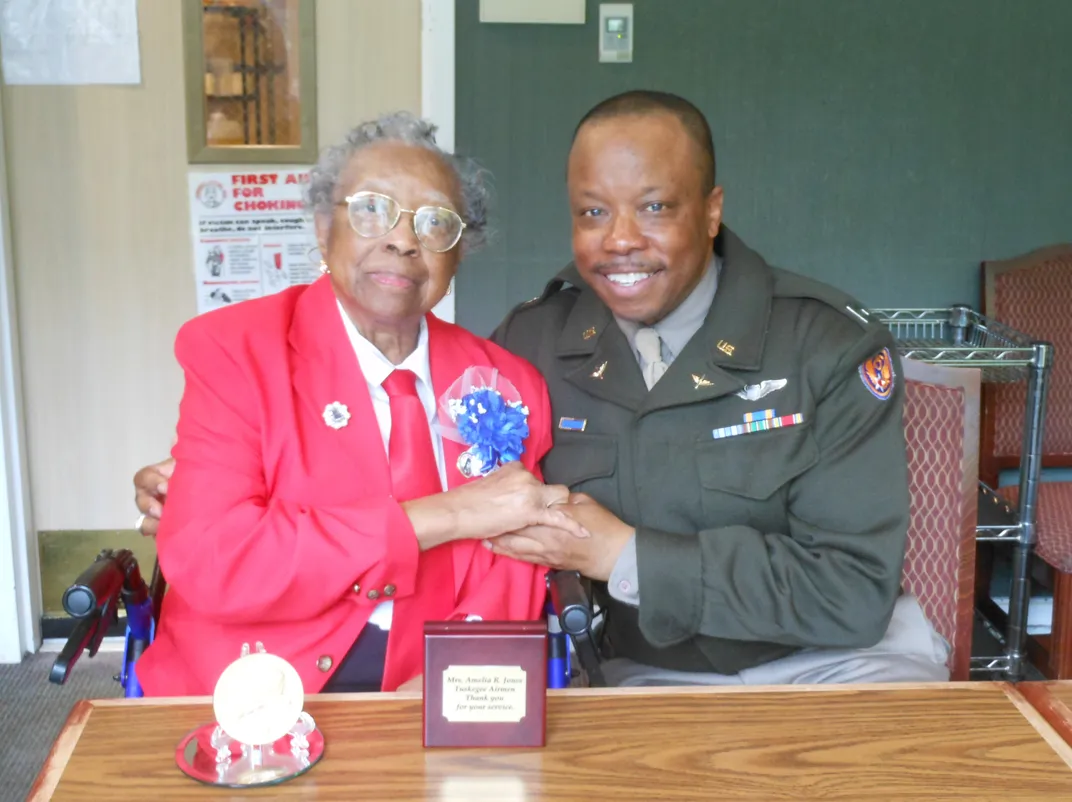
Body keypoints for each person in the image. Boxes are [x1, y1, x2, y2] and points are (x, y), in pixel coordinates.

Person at [138, 91, 949, 686]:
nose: (620, 239)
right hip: (637, 672)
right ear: (323, 228)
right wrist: (208, 486)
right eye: (593, 211)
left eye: (656, 206)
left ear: (711, 212)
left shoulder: (825, 345)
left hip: (830, 663)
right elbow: (482, 523)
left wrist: (607, 565)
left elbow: (850, 592)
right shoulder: (535, 345)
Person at [134, 112, 586, 697]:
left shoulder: (506, 382)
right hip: (255, 679)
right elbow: (221, 560)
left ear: (458, 252)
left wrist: (453, 680)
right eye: (372, 209)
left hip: (441, 674)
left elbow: (512, 561)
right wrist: (446, 515)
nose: (401, 239)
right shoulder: (236, 351)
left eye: (434, 222)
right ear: (324, 228)